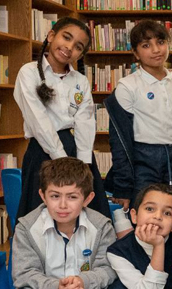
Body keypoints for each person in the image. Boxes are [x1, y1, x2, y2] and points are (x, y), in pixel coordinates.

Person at [3, 157, 126, 289]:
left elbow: (108, 268)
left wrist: (82, 283)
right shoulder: (27, 227)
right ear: (42, 196)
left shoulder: (101, 226)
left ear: (87, 199)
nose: (62, 205)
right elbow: (24, 274)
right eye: (54, 196)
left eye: (72, 197)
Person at [104, 19, 172, 223]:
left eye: (160, 42)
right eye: (146, 45)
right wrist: (123, 186)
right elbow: (119, 141)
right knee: (145, 218)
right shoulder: (127, 87)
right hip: (144, 160)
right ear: (135, 53)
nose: (156, 50)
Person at [14, 17, 110, 219]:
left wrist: (83, 164)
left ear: (80, 54)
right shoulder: (29, 72)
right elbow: (38, 121)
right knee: (42, 218)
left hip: (78, 153)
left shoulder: (80, 80)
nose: (69, 47)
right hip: (43, 152)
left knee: (88, 216)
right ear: (51, 35)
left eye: (78, 47)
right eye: (66, 38)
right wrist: (63, 162)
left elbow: (85, 121)